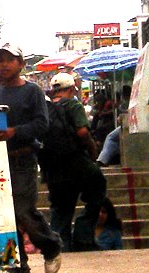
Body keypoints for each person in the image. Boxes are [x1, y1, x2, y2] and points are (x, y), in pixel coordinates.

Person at [0, 43, 62, 273]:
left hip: (24, 159)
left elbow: (42, 124)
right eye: (0, 60)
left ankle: (51, 247)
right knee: (6, 215)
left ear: (21, 64)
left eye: (9, 59)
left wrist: (14, 132)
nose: (4, 64)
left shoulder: (33, 92)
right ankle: (17, 266)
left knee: (23, 210)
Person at [41, 72, 106, 252]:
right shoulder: (73, 105)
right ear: (70, 89)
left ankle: (60, 249)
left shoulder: (45, 109)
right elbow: (83, 133)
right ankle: (83, 236)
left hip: (52, 167)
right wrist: (93, 151)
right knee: (98, 186)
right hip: (75, 162)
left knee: (61, 209)